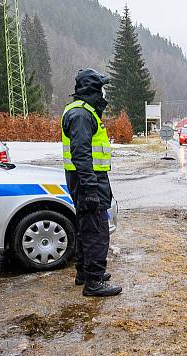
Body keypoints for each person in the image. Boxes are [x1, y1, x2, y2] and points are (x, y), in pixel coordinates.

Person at [61, 68, 122, 297]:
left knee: (86, 226)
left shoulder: (82, 111)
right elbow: (81, 154)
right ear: (92, 89)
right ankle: (94, 282)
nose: (104, 93)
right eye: (101, 88)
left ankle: (84, 273)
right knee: (97, 230)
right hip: (89, 179)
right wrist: (90, 188)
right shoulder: (81, 115)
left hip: (87, 178)